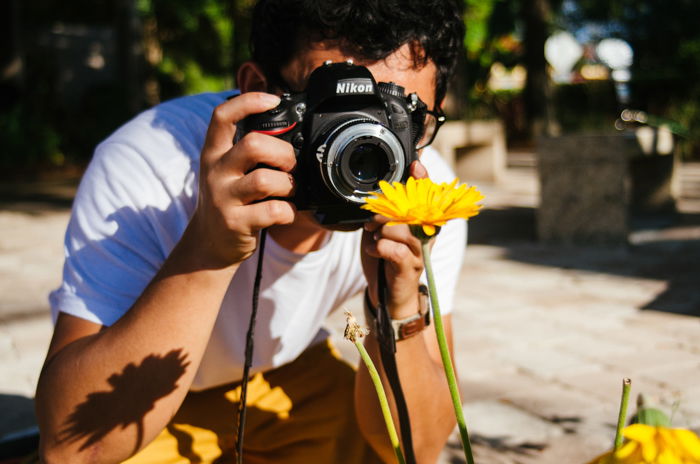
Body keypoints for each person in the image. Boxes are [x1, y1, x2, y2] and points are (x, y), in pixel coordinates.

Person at [35, 0, 467, 462]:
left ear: (435, 112)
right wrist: (207, 249)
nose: (369, 146)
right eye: (337, 111)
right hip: (145, 387)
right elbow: (72, 448)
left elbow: (416, 450)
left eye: (402, 116)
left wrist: (397, 305)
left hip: (286, 376)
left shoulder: (426, 190)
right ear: (257, 92)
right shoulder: (147, 168)